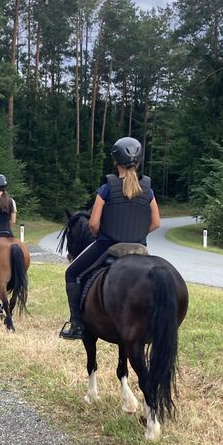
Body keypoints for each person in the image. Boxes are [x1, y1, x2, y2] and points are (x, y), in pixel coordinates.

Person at [59, 136, 160, 340]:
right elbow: (156, 223)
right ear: (138, 162)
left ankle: (77, 324)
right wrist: (138, 235)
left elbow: (94, 224)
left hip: (108, 245)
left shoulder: (107, 187)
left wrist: (101, 236)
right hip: (139, 248)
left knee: (72, 273)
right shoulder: (147, 189)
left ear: (116, 162)